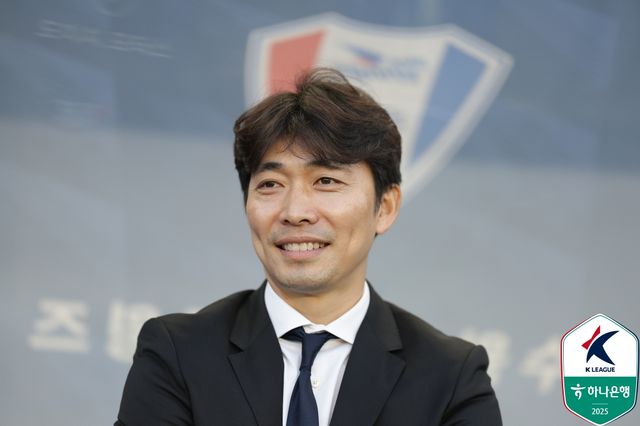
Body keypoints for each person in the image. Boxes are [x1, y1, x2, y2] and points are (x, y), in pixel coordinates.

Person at [115, 68, 502, 426]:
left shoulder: (450, 377)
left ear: (385, 207)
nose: (295, 212)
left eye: (326, 181)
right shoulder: (179, 354)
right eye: (270, 185)